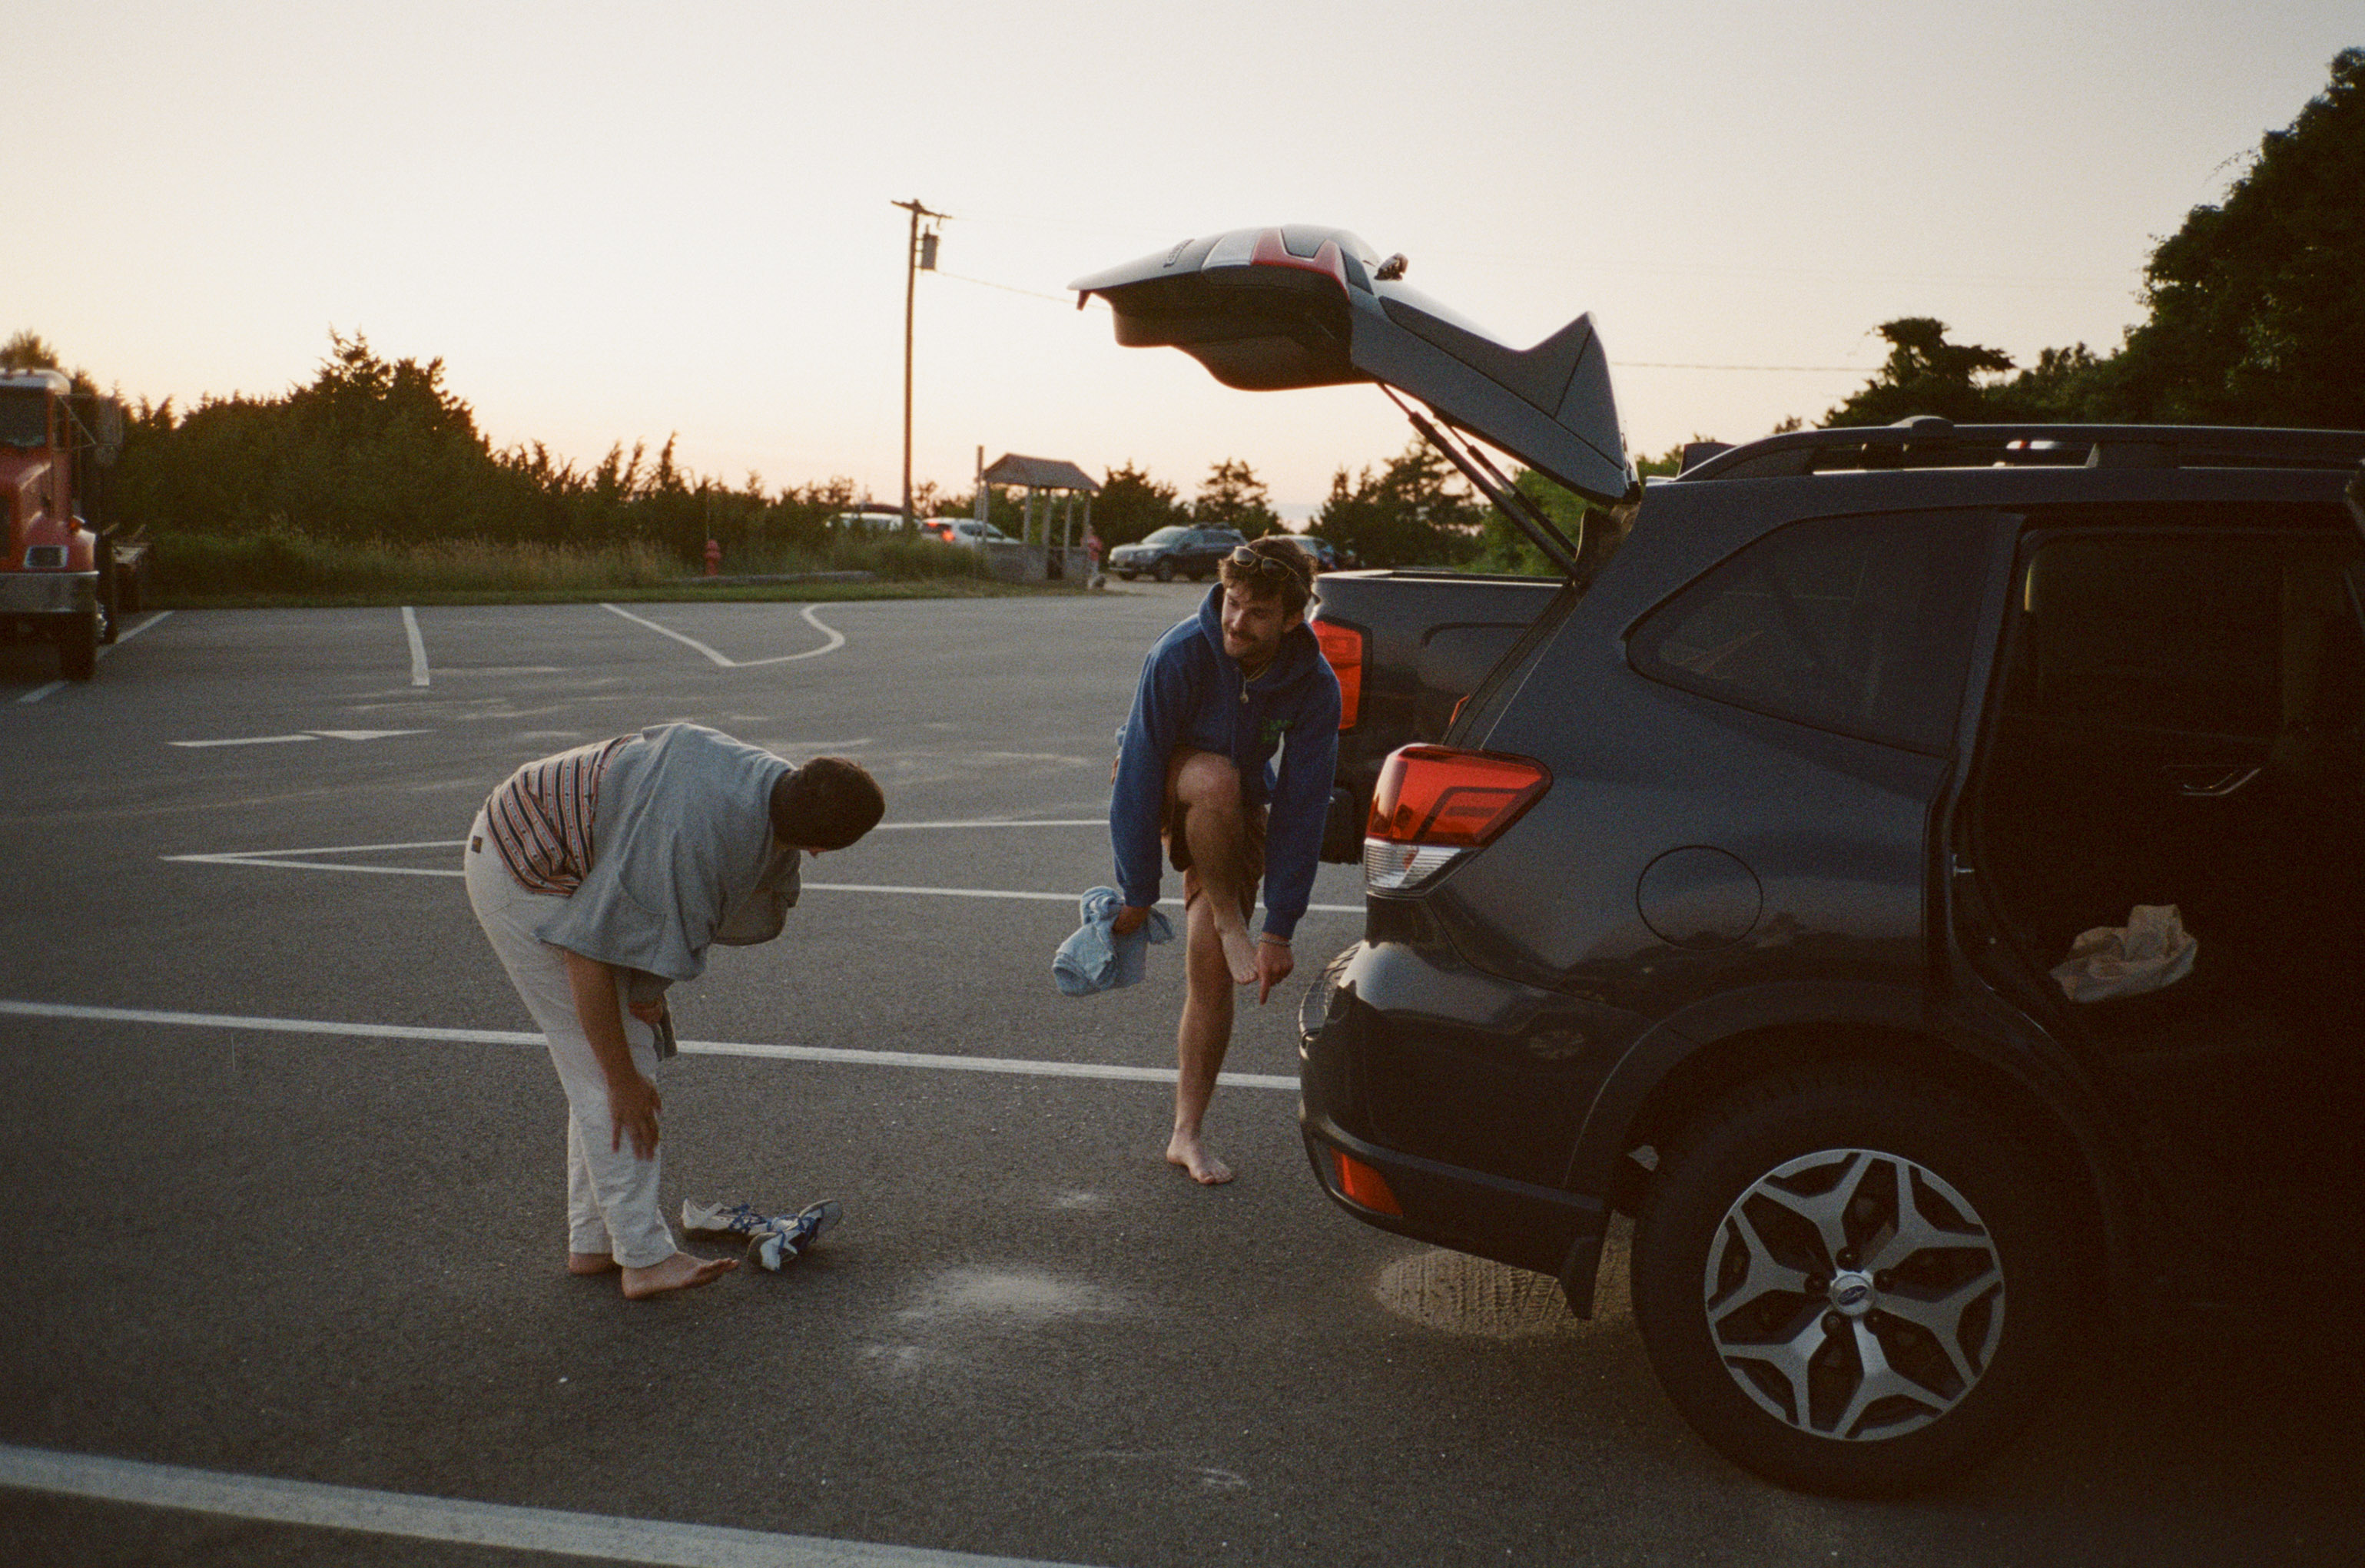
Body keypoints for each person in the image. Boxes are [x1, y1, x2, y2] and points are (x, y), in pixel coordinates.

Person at [464, 724, 884, 1298]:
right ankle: (644, 1259)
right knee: (612, 1071)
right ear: (817, 846)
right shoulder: (688, 840)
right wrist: (622, 1079)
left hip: (549, 834)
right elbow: (588, 954)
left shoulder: (776, 788)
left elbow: (660, 912)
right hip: (523, 866)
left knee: (607, 1063)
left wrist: (645, 984)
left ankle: (594, 1241)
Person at [1109, 538, 1340, 1183]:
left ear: (1292, 618)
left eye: (1257, 612)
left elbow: (1302, 805)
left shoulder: (1314, 684)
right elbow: (1138, 770)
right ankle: (1230, 917)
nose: (1236, 622)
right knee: (1213, 778)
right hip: (1166, 777)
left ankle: (1186, 1133)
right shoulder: (1181, 653)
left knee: (1211, 967)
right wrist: (1137, 890)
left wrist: (1281, 927)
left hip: (1236, 806)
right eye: (1232, 602)